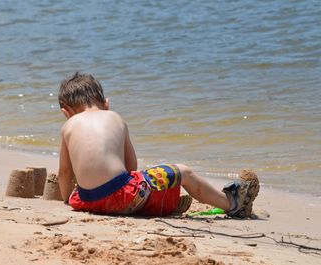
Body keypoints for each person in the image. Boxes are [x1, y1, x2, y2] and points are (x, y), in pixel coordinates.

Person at [57, 72, 259, 218]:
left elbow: (65, 174)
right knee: (184, 173)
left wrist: (68, 199)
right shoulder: (114, 117)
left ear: (66, 113)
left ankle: (163, 202)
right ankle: (232, 204)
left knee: (132, 188)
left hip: (87, 201)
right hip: (123, 198)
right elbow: (131, 168)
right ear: (106, 103)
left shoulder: (68, 127)